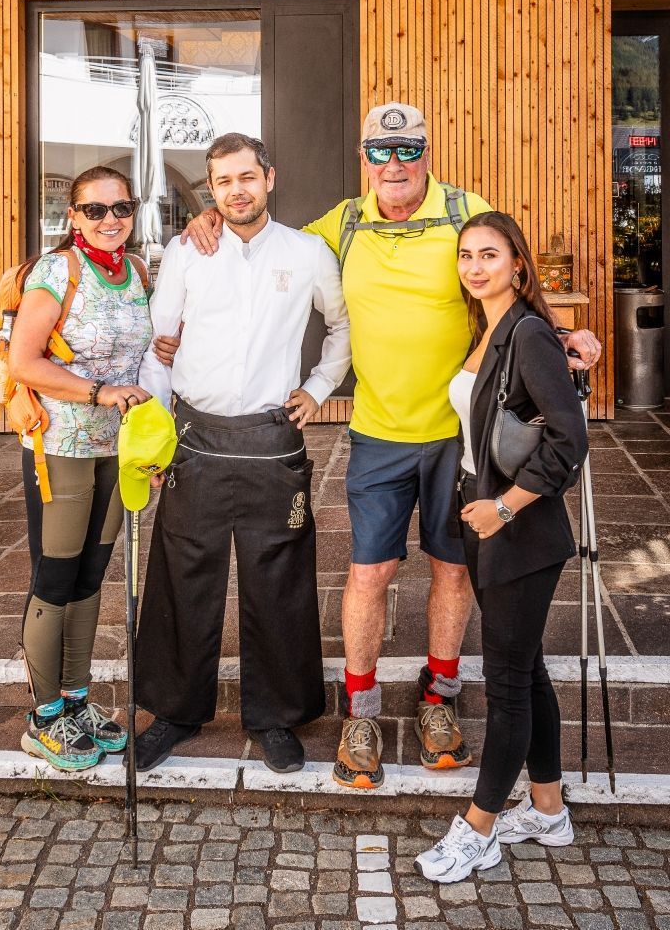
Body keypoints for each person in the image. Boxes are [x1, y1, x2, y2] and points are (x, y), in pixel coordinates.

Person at [176, 103, 601, 789]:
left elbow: (512, 276)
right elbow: (264, 238)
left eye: (409, 150)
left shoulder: (465, 209)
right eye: (381, 151)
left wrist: (563, 336)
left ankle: (439, 700)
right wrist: (211, 218)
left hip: (460, 440)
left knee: (452, 572)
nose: (395, 164)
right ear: (363, 156)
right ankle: (362, 709)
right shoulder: (342, 223)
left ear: (428, 152)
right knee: (370, 572)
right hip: (376, 433)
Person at [135, 132, 351, 774]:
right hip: (195, 435)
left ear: (269, 178)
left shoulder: (308, 252)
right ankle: (174, 711)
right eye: (222, 182)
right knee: (182, 573)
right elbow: (158, 341)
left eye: (245, 178)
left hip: (270, 437)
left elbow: (341, 327)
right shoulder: (186, 251)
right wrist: (154, 432)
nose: (235, 190)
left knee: (278, 576)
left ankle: (277, 717)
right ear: (212, 189)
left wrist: (316, 389)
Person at [415, 211, 587, 882]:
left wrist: (507, 506)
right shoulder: (490, 330)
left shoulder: (529, 332)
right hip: (485, 520)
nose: (475, 266)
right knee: (527, 667)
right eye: (466, 255)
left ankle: (479, 827)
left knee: (507, 684)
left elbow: (569, 442)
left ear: (518, 261)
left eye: (490, 254)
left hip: (519, 530)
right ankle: (548, 810)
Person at [8, 165, 164, 772]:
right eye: (94, 211)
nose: (109, 221)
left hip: (115, 450)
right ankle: (43, 718)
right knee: (55, 577)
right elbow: (25, 361)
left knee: (92, 576)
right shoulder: (57, 273)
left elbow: (147, 350)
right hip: (62, 445)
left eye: (120, 209)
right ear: (73, 218)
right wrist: (99, 392)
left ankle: (76, 700)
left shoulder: (137, 272)